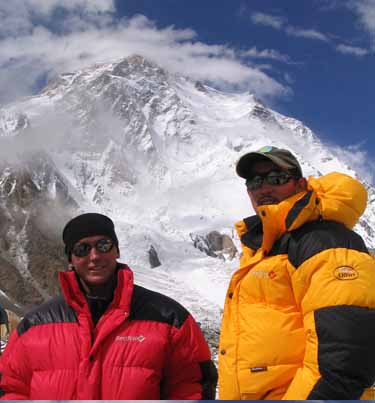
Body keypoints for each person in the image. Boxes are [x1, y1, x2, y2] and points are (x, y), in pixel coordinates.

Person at [0, 213, 217, 399]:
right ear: (70, 258)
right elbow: (10, 388)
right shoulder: (33, 326)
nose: (94, 256)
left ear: (117, 250)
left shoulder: (170, 319)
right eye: (82, 249)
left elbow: (193, 388)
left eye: (103, 245)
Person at [219, 146, 375, 400]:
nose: (264, 188)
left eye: (276, 178)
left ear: (300, 184)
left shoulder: (324, 241)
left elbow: (343, 358)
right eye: (254, 182)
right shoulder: (263, 250)